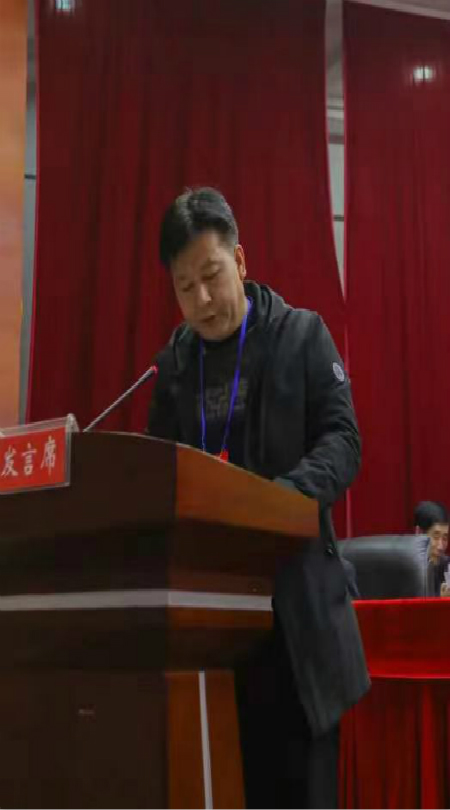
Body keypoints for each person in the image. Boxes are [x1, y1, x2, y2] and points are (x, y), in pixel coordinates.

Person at [146, 187, 370, 807]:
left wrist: (278, 502)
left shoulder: (302, 335)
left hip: (295, 622)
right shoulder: (173, 367)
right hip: (210, 632)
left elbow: (343, 440)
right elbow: (155, 473)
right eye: (185, 286)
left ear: (240, 260)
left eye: (211, 276)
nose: (202, 300)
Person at [414, 500, 450, 597]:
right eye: (435, 536)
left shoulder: (446, 566)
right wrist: (441, 602)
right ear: (419, 533)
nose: (440, 546)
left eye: (445, 538)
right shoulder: (406, 569)